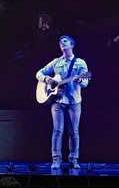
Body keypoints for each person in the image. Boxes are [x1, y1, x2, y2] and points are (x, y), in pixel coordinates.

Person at [36, 35, 89, 169]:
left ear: (71, 45)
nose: (62, 43)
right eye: (60, 42)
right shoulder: (56, 62)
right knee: (57, 130)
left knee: (74, 131)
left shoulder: (80, 63)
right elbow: (39, 73)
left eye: (65, 41)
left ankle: (73, 159)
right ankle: (56, 159)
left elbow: (86, 83)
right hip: (58, 101)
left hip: (74, 101)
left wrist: (80, 80)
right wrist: (47, 80)